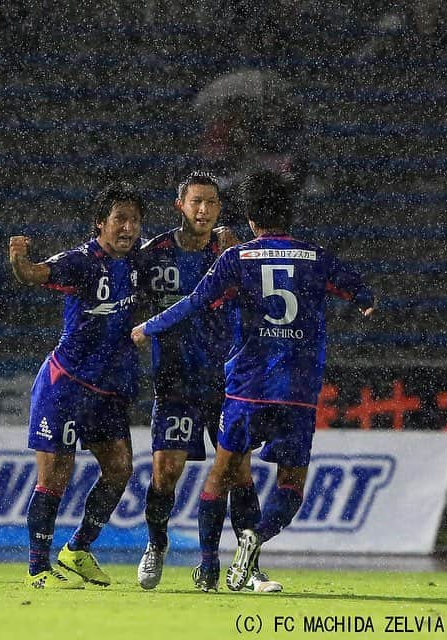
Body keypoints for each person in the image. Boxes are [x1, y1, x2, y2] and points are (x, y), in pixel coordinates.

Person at [132, 170, 375, 592]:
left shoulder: (235, 257)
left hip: (243, 387)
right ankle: (252, 538)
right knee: (287, 486)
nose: (204, 210)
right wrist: (366, 304)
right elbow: (361, 294)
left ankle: (210, 569)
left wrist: (147, 327)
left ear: (246, 215)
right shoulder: (317, 257)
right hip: (295, 390)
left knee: (223, 474)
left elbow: (194, 303)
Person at [135, 172, 281, 593]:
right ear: (180, 205)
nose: (203, 210)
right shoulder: (154, 254)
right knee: (166, 472)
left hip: (226, 382)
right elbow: (129, 302)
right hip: (176, 382)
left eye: (211, 203)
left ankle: (248, 566)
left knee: (239, 471)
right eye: (196, 202)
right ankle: (156, 544)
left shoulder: (231, 252)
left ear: (219, 209)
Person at [9, 183, 146, 589]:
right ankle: (38, 569)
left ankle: (78, 549)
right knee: (55, 478)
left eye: (134, 220)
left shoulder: (140, 260)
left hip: (106, 392)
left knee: (120, 469)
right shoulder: (81, 262)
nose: (128, 227)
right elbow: (33, 274)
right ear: (100, 224)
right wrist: (20, 259)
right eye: (119, 218)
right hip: (64, 387)